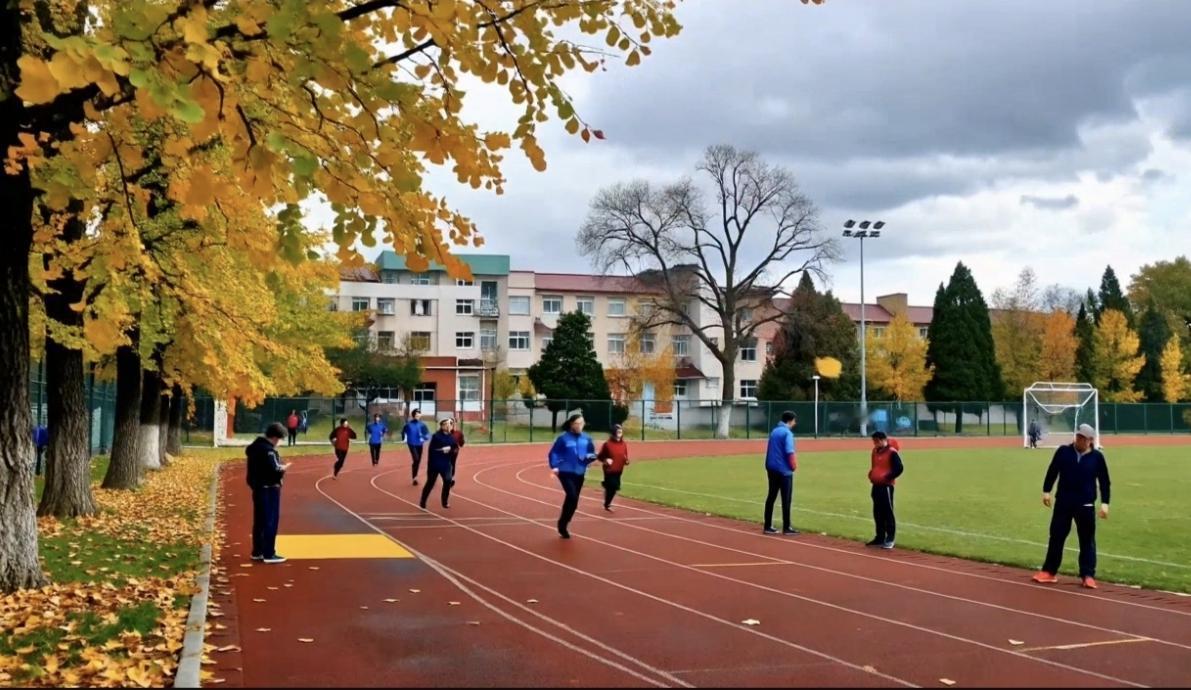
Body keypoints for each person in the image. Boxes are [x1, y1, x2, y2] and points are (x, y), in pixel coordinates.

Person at [1032, 423, 1111, 589]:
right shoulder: (1063, 452)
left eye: (1083, 438)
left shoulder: (1097, 458)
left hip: (1086, 504)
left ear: (1090, 440)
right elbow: (1052, 471)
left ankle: (1088, 575)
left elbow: (1104, 481)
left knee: (1087, 540)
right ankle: (1049, 571)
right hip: (1064, 501)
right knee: (1056, 536)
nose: (1079, 440)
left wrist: (1105, 503)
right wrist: (1046, 490)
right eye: (1078, 436)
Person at [548, 414, 599, 539]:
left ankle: (564, 523)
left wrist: (591, 458)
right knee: (571, 495)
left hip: (580, 471)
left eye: (582, 423)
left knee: (574, 501)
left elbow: (591, 453)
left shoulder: (587, 438)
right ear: (572, 424)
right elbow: (554, 452)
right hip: (565, 471)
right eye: (578, 423)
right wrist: (554, 465)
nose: (580, 425)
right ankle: (562, 525)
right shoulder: (563, 439)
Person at [247, 423, 290, 564]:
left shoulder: (254, 448)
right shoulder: (268, 451)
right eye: (279, 439)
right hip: (269, 489)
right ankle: (268, 553)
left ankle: (257, 551)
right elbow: (274, 469)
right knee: (270, 521)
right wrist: (283, 469)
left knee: (259, 521)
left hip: (258, 488)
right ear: (274, 437)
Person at [763, 411, 799, 535]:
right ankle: (787, 527)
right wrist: (793, 466)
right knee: (786, 499)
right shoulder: (787, 433)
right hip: (784, 471)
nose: (795, 423)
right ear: (790, 421)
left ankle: (767, 525)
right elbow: (789, 451)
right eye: (794, 420)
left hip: (772, 468)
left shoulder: (774, 431)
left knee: (771, 497)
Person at [866, 431, 904, 549]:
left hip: (886, 487)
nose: (875, 443)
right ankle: (880, 537)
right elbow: (875, 466)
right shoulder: (874, 452)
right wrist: (872, 474)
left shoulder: (892, 453)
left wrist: (887, 477)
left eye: (876, 441)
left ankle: (890, 538)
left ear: (883, 440)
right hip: (876, 485)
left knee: (887, 512)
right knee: (877, 512)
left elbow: (899, 468)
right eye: (874, 441)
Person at [420, 419, 459, 511]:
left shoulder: (452, 437)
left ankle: (444, 501)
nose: (448, 426)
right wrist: (443, 450)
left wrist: (452, 451)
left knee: (448, 480)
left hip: (446, 464)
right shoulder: (436, 436)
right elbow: (432, 450)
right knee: (430, 483)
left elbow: (455, 448)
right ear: (441, 426)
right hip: (435, 463)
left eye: (449, 424)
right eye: (445, 424)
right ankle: (423, 500)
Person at [597, 424, 630, 511]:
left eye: (621, 431)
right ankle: (606, 488)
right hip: (609, 470)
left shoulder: (623, 444)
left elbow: (625, 456)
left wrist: (626, 461)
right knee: (614, 486)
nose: (620, 432)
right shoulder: (607, 444)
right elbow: (600, 456)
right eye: (618, 430)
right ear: (613, 432)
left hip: (619, 469)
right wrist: (606, 460)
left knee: (613, 488)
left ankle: (607, 504)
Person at [402, 409, 431, 486]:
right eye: (416, 415)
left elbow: (428, 435)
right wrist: (404, 439)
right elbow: (403, 432)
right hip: (411, 443)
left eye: (419, 415)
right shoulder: (408, 425)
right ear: (413, 416)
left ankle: (415, 477)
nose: (418, 416)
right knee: (416, 459)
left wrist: (423, 437)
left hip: (419, 444)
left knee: (417, 461)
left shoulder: (422, 425)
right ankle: (414, 477)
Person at [447, 418, 466, 486]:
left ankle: (450, 479)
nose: (451, 424)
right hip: (446, 452)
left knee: (452, 464)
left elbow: (461, 444)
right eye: (449, 423)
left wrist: (462, 441)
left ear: (455, 423)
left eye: (452, 423)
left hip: (454, 452)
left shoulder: (459, 433)